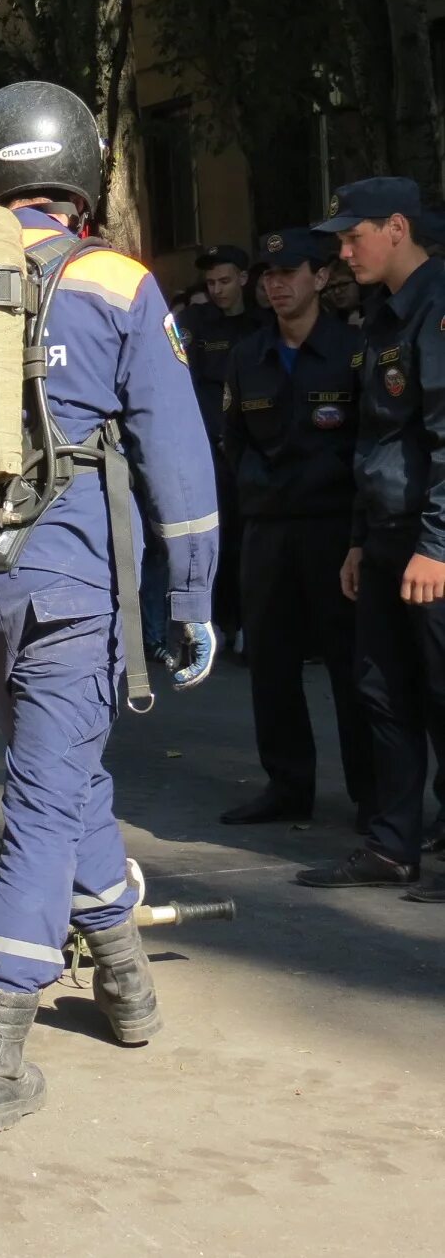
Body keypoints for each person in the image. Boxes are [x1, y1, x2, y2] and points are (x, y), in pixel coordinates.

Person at [0, 82, 220, 1131]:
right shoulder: (117, 279)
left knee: (61, 780)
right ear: (81, 174)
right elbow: (176, 453)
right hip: (69, 582)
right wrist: (190, 594)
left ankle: (125, 985)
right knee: (43, 804)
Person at [297, 178, 445, 897]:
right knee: (382, 694)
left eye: (353, 236)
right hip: (387, 536)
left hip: (431, 542)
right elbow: (374, 439)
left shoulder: (436, 308)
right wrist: (359, 539)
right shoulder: (383, 315)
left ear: (396, 227)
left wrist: (439, 546)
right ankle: (392, 845)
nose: (343, 250)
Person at [219, 229, 371, 828]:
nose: (274, 284)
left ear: (320, 276)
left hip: (334, 528)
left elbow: (366, 442)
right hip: (268, 528)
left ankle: (373, 792)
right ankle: (287, 784)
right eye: (267, 275)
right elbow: (233, 441)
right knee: (272, 664)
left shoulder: (352, 351)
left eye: (287, 272)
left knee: (352, 664)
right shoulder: (247, 354)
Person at [181, 244, 257, 651]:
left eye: (225, 281)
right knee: (215, 538)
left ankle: (247, 621)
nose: (217, 290)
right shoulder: (195, 322)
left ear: (243, 279)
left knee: (249, 537)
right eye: (209, 283)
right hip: (207, 448)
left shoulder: (261, 325)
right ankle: (220, 620)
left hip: (250, 447)